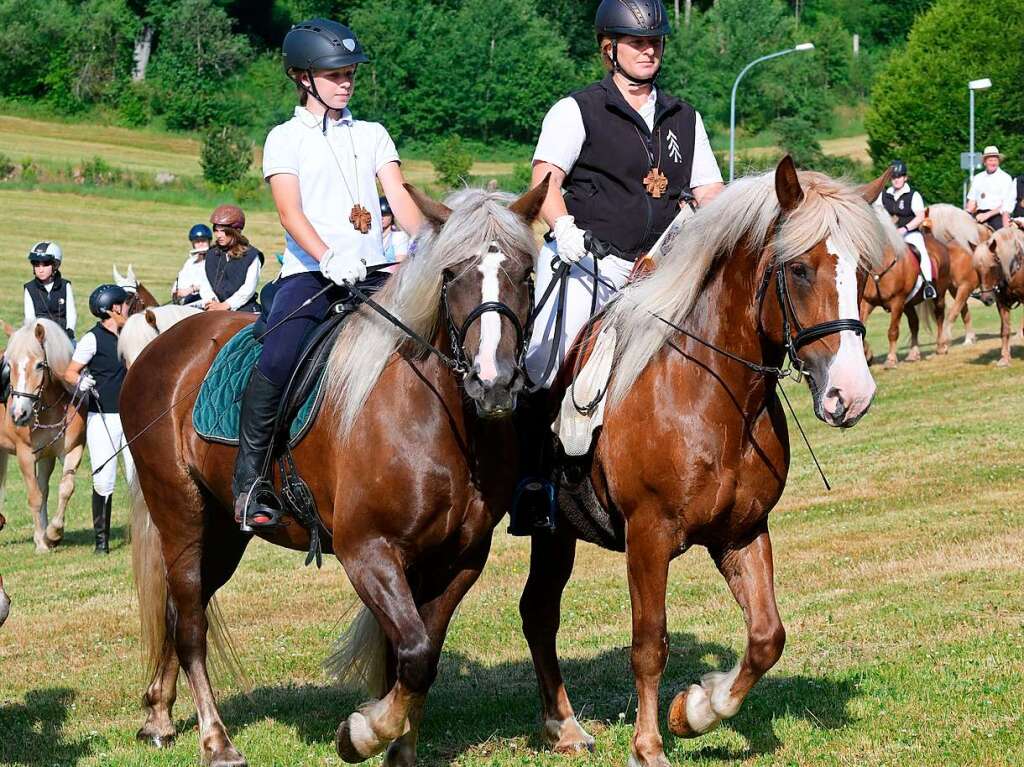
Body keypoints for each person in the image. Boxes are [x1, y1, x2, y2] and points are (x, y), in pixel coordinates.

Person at [513, 0, 724, 533]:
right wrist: (563, 229)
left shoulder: (684, 117)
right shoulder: (576, 110)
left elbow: (711, 194)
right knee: (546, 361)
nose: (648, 49)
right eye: (636, 42)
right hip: (589, 266)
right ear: (610, 48)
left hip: (662, 273)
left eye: (655, 41)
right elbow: (545, 183)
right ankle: (532, 482)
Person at [232, 18, 423, 530]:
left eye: (350, 73)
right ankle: (250, 482)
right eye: (335, 73)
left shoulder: (373, 133)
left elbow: (398, 195)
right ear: (303, 77)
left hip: (378, 274)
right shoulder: (284, 139)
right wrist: (327, 257)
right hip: (312, 276)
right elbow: (290, 213)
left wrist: (426, 240)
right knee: (277, 357)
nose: (346, 81)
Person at [63, 285, 135, 554]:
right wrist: (81, 381)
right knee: (103, 479)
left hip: (131, 417)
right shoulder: (92, 339)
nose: (127, 309)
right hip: (102, 416)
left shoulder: (132, 334)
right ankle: (101, 542)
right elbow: (71, 371)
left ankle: (139, 533)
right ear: (113, 309)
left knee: (136, 478)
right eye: (124, 305)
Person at [876, 160, 937, 300]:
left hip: (910, 233)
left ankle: (928, 284)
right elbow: (878, 213)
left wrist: (905, 228)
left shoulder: (913, 195)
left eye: (899, 176)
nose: (896, 180)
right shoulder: (884, 195)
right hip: (889, 236)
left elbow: (920, 216)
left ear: (905, 178)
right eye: (894, 177)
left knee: (921, 251)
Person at [200, 205, 263, 313]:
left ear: (235, 231)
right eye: (216, 230)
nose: (218, 235)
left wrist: (226, 305)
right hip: (212, 309)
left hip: (244, 310)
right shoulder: (211, 254)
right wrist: (212, 303)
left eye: (223, 231)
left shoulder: (251, 256)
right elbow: (204, 283)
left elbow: (248, 289)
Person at [23, 241, 76, 340]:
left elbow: (71, 314)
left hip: (63, 335)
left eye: (45, 265)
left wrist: (70, 330)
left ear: (55, 265)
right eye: (36, 265)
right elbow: (30, 318)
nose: (40, 269)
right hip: (39, 336)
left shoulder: (65, 286)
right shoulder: (29, 288)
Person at [966, 146, 1014, 231]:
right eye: (990, 160)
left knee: (1000, 237)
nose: (993, 163)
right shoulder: (978, 177)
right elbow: (972, 201)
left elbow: (1006, 204)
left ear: (999, 162)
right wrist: (966, 213)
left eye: (995, 160)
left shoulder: (1005, 178)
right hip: (979, 215)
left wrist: (987, 215)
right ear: (985, 162)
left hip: (997, 216)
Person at [173, 224, 212, 305]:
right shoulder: (190, 263)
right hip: (187, 302)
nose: (201, 244)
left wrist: (193, 289)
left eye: (203, 241)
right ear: (193, 244)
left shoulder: (214, 260)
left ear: (209, 241)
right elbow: (179, 285)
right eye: (197, 242)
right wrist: (177, 292)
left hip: (205, 301)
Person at [380, 196, 410, 263]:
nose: (382, 218)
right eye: (380, 214)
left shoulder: (399, 236)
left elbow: (400, 263)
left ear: (392, 216)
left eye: (385, 214)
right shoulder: (372, 235)